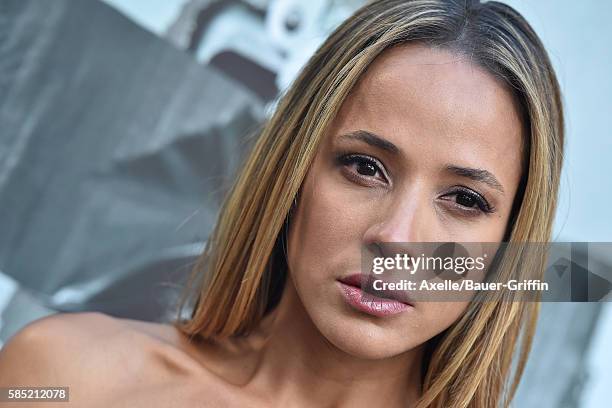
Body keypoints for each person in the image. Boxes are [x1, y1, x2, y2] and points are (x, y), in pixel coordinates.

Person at [0, 0, 564, 406]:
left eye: (464, 199)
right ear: (292, 176)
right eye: (364, 168)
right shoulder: (61, 378)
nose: (396, 238)